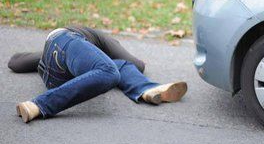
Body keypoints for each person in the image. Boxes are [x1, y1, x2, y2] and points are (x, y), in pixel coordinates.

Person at [8, 26, 188, 123]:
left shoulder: (63, 54)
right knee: (111, 72)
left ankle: (147, 90)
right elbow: (137, 64)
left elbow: (15, 62)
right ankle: (39, 105)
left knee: (114, 69)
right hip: (65, 39)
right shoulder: (98, 38)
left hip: (56, 76)